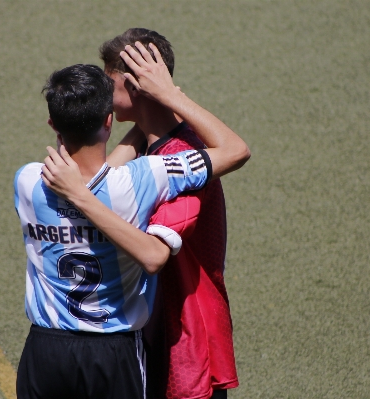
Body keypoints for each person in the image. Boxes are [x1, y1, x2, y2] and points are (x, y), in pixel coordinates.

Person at [14, 46, 250, 399]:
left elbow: (101, 170)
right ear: (108, 120)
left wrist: (141, 123)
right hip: (113, 353)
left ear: (53, 124)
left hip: (45, 351)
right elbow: (235, 150)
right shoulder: (141, 181)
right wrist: (169, 98)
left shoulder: (28, 181)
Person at [99, 28, 241, 399]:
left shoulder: (182, 159)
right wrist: (145, 124)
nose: (102, 94)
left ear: (135, 86)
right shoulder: (155, 145)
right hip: (161, 325)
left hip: (186, 337)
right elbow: (103, 185)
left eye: (108, 83)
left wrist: (164, 96)